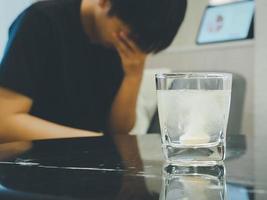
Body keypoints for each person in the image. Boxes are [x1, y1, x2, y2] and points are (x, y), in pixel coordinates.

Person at [0, 0, 187, 142]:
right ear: (105, 2)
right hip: (30, 166)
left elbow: (119, 131)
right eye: (128, 34)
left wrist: (134, 75)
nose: (129, 43)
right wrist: (93, 140)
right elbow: (5, 121)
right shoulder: (41, 21)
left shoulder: (117, 44)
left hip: (85, 163)